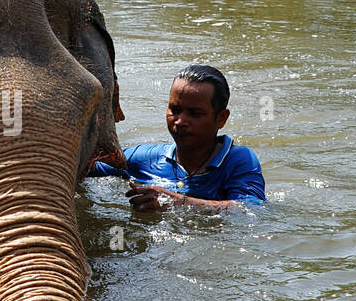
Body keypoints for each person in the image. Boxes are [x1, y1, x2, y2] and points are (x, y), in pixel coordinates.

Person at [88, 65, 265, 211]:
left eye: (195, 114)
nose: (180, 121)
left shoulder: (238, 161)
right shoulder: (146, 158)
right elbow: (85, 166)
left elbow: (250, 210)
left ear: (221, 118)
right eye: (175, 110)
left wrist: (172, 201)